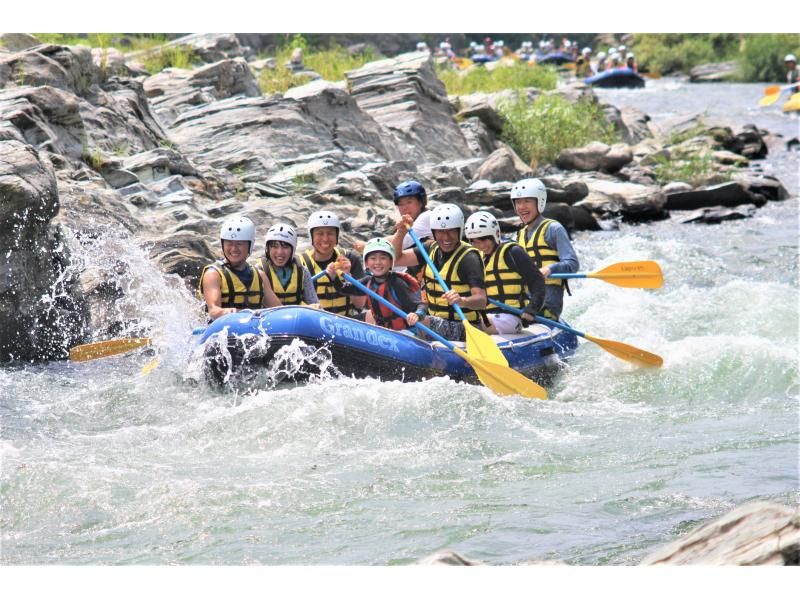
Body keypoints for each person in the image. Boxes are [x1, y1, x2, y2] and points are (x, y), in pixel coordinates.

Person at [392, 203, 487, 342]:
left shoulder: (469, 258)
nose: (446, 238)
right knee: (403, 317)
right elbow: (396, 259)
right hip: (436, 320)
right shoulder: (430, 248)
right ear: (434, 232)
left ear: (460, 230)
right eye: (441, 232)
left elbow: (481, 300)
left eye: (451, 231)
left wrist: (462, 301)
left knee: (418, 323)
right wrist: (401, 232)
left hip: (466, 328)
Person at [464, 211, 546, 335]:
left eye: (483, 239)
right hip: (487, 315)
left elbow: (537, 281)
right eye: (474, 241)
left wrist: (531, 309)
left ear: (496, 234)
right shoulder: (477, 258)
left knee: (472, 325)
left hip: (511, 317)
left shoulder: (513, 252)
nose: (480, 245)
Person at [510, 178, 579, 320]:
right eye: (518, 202)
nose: (521, 207)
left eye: (527, 201)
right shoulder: (519, 235)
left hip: (548, 302)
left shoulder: (553, 229)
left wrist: (550, 269)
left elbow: (572, 264)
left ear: (539, 201)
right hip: (525, 300)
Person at [326, 238, 426, 332]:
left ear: (391, 262)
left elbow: (420, 304)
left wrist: (417, 315)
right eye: (373, 258)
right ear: (366, 263)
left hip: (405, 332)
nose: (378, 262)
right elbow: (344, 288)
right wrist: (334, 277)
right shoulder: (369, 281)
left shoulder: (397, 283)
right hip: (383, 331)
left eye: (383, 258)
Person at [198, 215, 281, 321]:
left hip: (253, 331)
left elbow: (278, 310)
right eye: (229, 243)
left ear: (250, 245)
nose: (233, 249)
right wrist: (229, 312)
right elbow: (213, 311)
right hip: (221, 332)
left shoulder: (260, 276)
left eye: (239, 244)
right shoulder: (213, 274)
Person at [301, 210, 367, 317]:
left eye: (330, 233)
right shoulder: (301, 265)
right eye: (320, 233)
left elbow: (360, 305)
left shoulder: (350, 259)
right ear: (311, 236)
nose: (325, 239)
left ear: (337, 236)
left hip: (346, 323)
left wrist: (347, 276)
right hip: (314, 323)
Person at [254, 223, 319, 308]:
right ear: (268, 248)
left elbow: (313, 301)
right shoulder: (258, 271)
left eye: (285, 247)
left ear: (293, 249)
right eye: (275, 246)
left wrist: (315, 306)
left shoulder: (303, 271)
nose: (280, 252)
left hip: (297, 319)